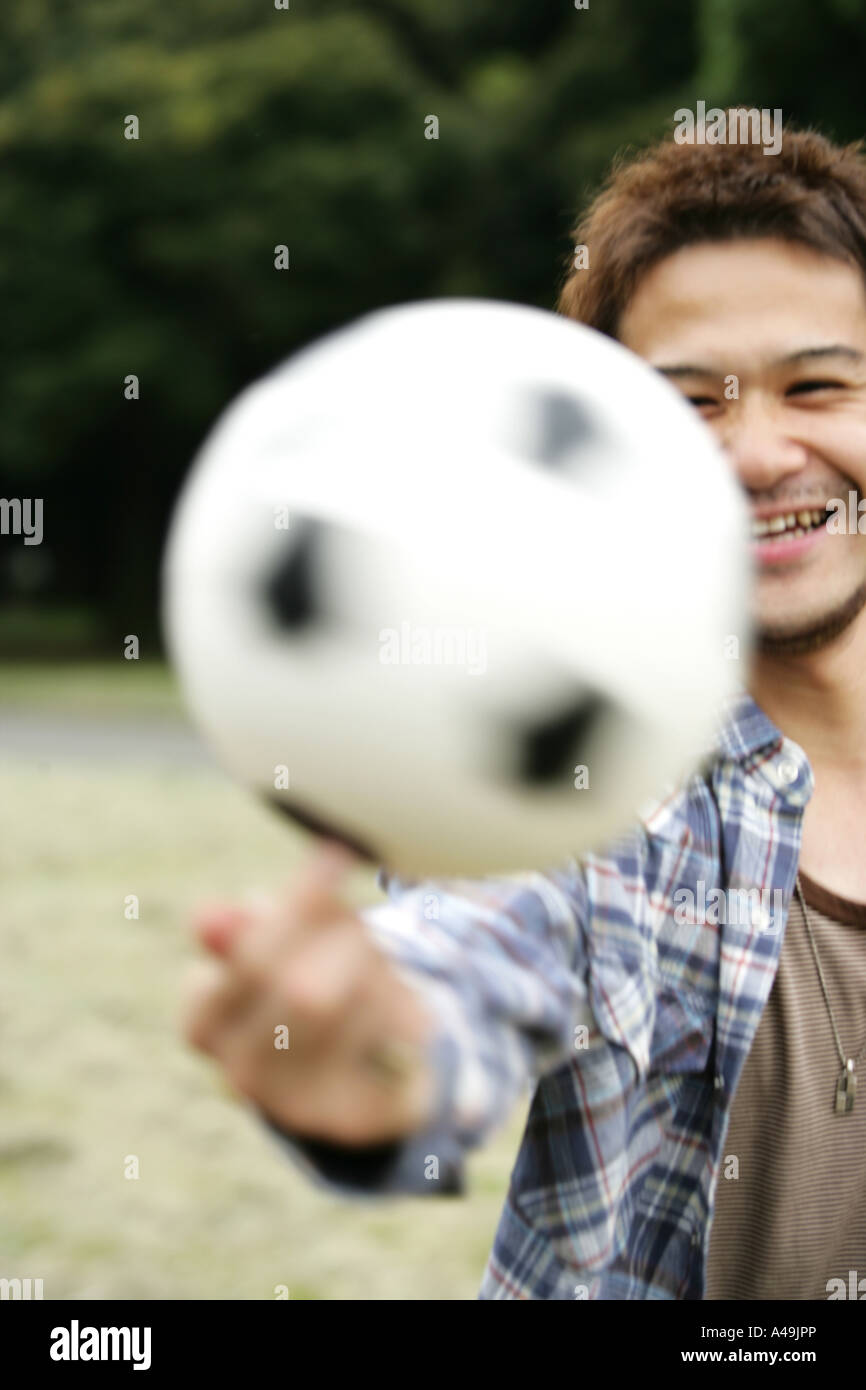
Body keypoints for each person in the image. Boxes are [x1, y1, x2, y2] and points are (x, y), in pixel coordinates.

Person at [182, 114, 866, 1300]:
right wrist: (388, 1055)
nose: (757, 455)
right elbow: (485, 936)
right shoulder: (584, 783)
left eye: (815, 386)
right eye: (688, 405)